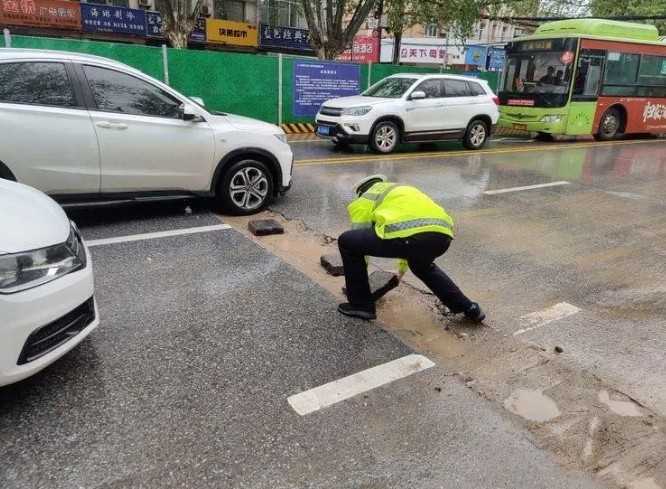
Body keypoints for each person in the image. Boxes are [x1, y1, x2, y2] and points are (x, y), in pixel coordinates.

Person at [337, 175, 485, 322]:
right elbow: (405, 228)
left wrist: (357, 280)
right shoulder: (400, 190)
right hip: (443, 236)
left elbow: (358, 244)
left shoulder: (365, 200)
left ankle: (360, 305)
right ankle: (469, 308)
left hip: (412, 238)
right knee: (422, 266)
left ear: (360, 192)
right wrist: (401, 271)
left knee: (347, 241)